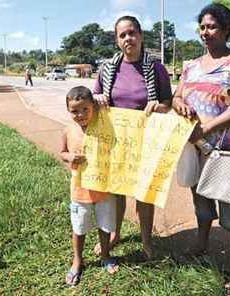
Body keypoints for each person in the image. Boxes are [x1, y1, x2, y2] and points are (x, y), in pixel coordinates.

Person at [172, 3, 230, 295]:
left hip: (226, 149)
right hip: (195, 147)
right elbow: (177, 96)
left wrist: (207, 128)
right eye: (202, 27)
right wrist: (179, 103)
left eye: (212, 27)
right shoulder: (191, 66)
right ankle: (202, 242)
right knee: (201, 201)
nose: (205, 32)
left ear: (225, 29)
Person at [92, 15, 172, 260]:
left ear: (141, 36)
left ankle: (146, 240)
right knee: (117, 191)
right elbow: (94, 97)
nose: (129, 38)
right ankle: (115, 234)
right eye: (123, 35)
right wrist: (97, 99)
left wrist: (159, 107)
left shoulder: (156, 68)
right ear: (117, 41)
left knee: (144, 192)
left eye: (132, 33)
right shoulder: (107, 69)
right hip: (116, 141)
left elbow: (168, 103)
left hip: (147, 141)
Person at [61, 86, 118, 286]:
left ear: (93, 107)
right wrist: (70, 157)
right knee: (79, 227)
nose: (81, 114)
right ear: (68, 111)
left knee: (105, 226)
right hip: (79, 191)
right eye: (75, 111)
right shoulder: (68, 130)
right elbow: (62, 152)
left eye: (85, 109)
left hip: (104, 188)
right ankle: (77, 260)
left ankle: (105, 255)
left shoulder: (103, 126)